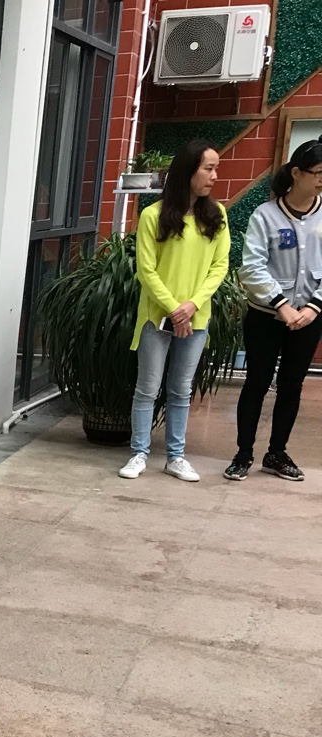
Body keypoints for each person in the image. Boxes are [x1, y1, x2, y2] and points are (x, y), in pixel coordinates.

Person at [120, 139, 230, 482]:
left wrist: (191, 306)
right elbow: (146, 270)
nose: (214, 176)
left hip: (196, 318)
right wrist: (173, 308)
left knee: (181, 390)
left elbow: (219, 267)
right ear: (188, 171)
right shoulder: (153, 216)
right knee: (147, 388)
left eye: (215, 169)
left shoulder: (217, 215)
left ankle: (175, 457)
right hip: (156, 318)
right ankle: (139, 453)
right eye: (208, 168)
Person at [228, 139, 322, 482]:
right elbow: (251, 268)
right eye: (318, 173)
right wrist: (280, 304)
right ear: (296, 173)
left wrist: (314, 306)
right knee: (256, 382)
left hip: (309, 316)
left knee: (291, 386)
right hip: (265, 316)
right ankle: (243, 454)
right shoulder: (265, 215)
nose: (321, 180)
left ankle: (276, 453)